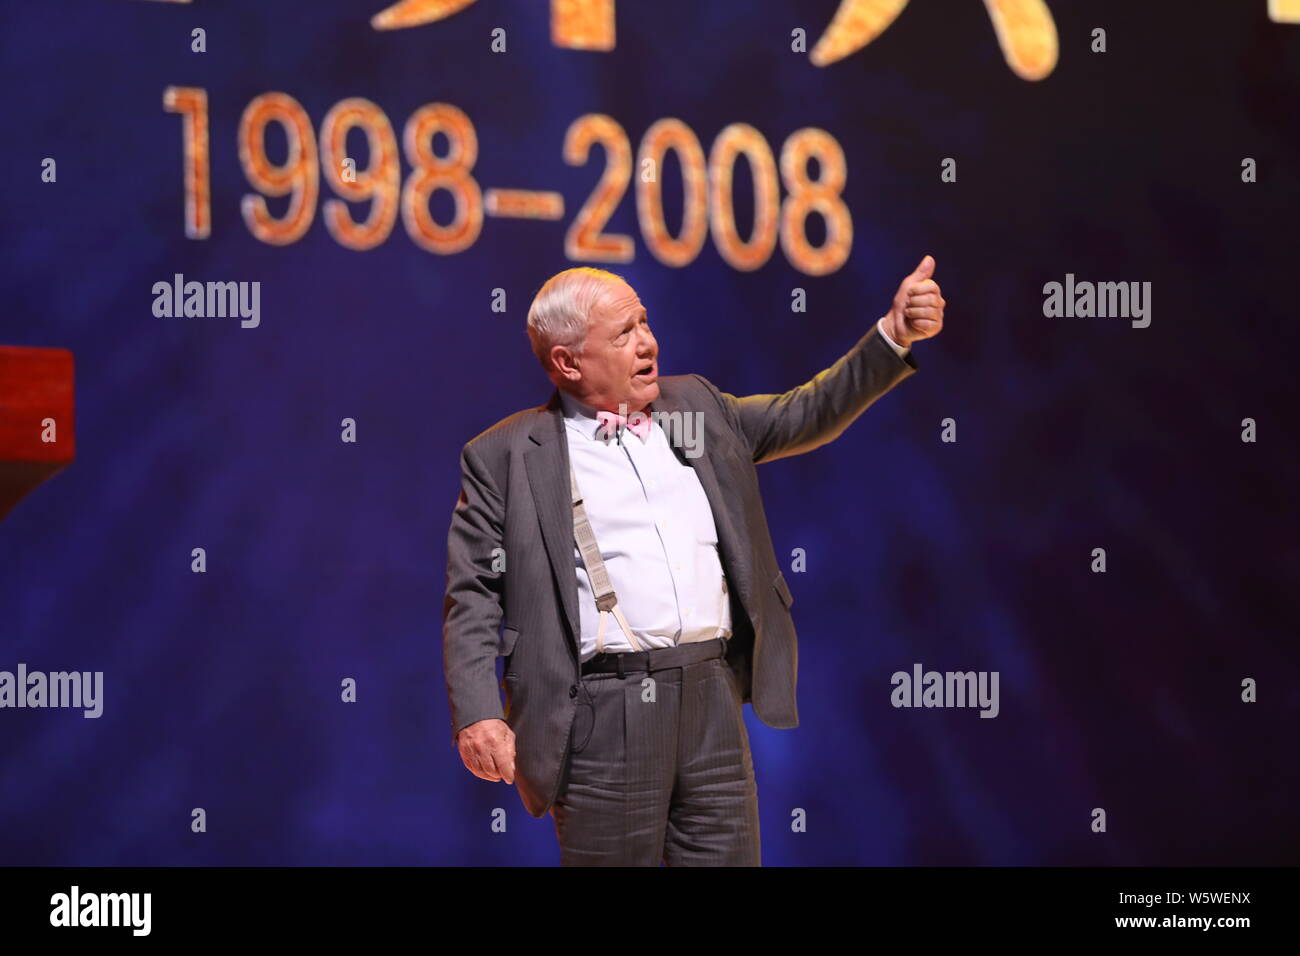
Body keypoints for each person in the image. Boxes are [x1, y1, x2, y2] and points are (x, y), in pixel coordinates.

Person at [444, 258, 944, 864]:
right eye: (623, 334)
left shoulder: (697, 407)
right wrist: (478, 713)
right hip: (603, 712)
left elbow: (805, 412)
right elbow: (472, 594)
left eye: (645, 323)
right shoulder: (506, 455)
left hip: (711, 697)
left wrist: (892, 335)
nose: (648, 342)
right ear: (568, 363)